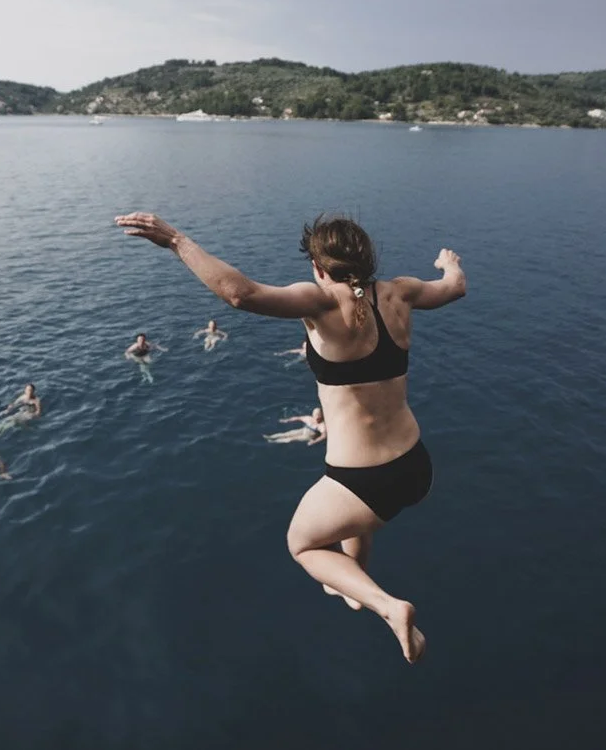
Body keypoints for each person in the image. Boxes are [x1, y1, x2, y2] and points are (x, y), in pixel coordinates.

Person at [116, 211, 466, 664]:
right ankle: (353, 583)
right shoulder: (401, 291)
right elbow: (455, 287)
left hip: (362, 480)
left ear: (318, 267)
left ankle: (389, 607)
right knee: (355, 522)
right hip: (416, 466)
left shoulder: (320, 303)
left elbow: (240, 294)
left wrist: (176, 241)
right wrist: (448, 264)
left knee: (302, 543)